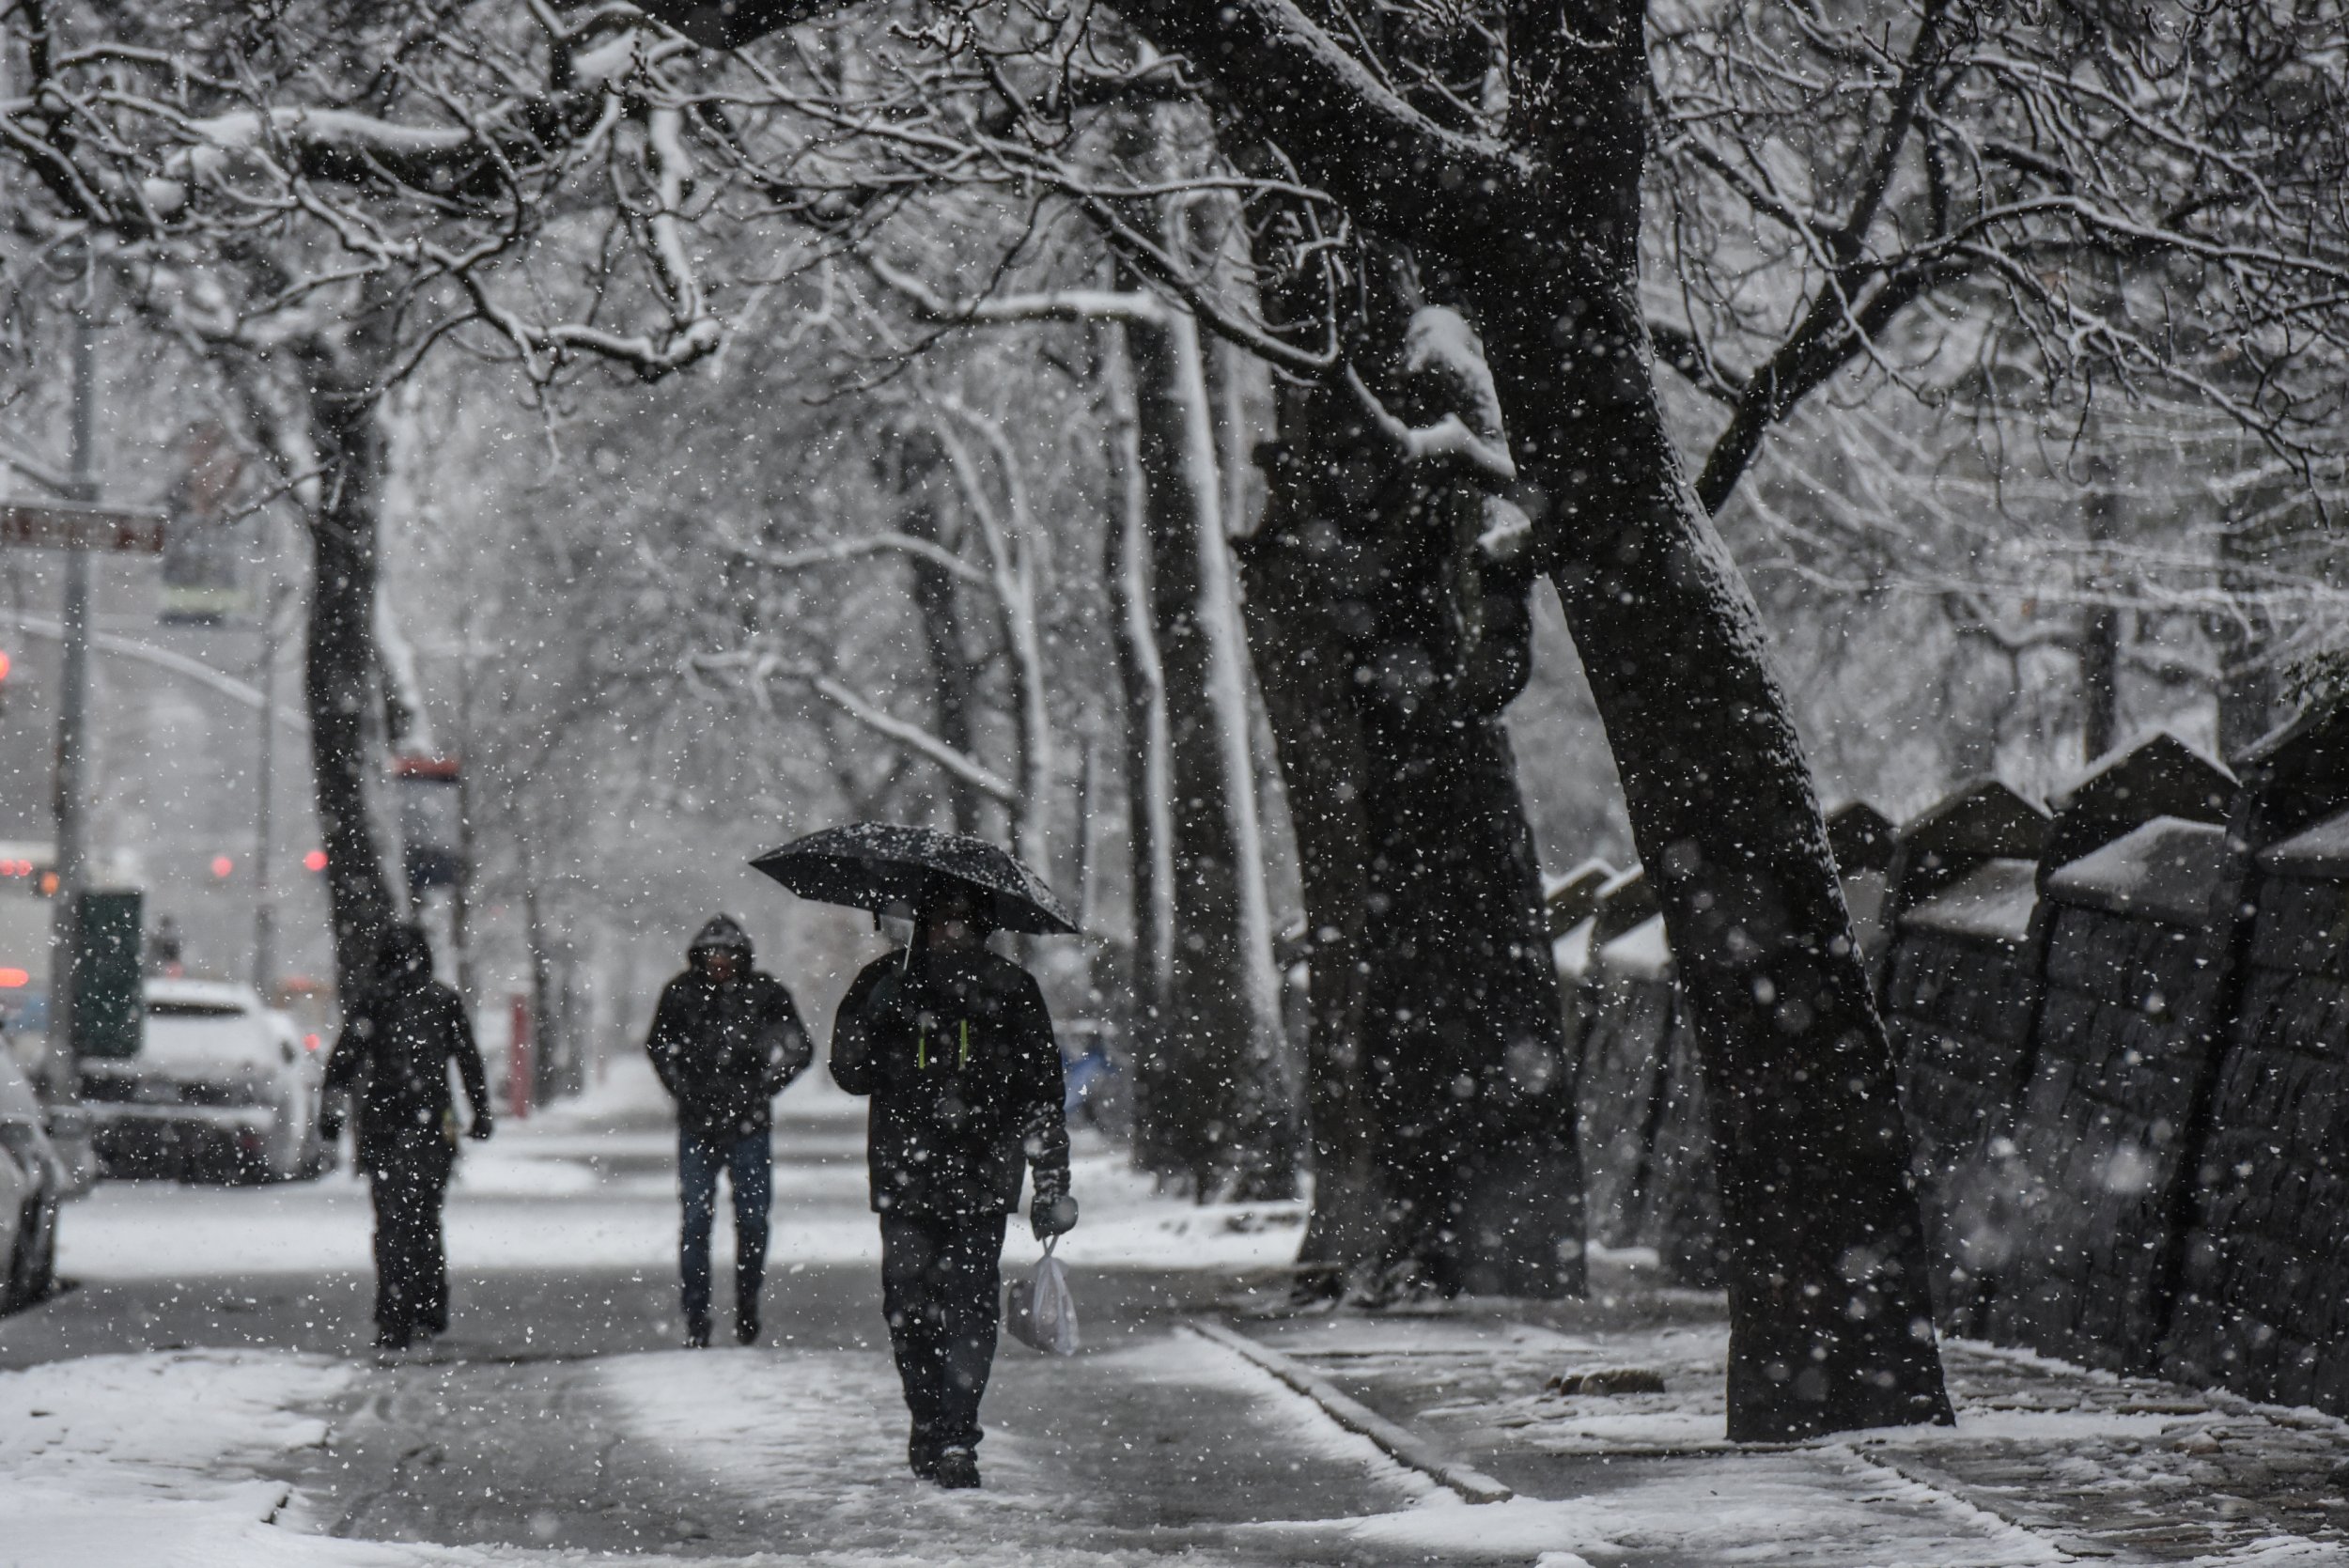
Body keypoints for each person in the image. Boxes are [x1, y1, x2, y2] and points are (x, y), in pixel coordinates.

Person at [831, 880, 1077, 1490]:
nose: (952, 931)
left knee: (968, 1307)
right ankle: (929, 1421)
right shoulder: (886, 980)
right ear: (919, 921)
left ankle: (957, 1438)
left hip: (983, 1178)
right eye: (940, 919)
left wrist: (1051, 1183)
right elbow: (849, 1073)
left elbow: (1040, 1093)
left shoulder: (1012, 990)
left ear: (985, 926)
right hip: (904, 1179)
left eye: (965, 921)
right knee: (908, 1308)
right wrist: (875, 1013)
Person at [322, 924, 492, 1351]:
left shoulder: (374, 1002)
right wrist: (480, 1111)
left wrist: (332, 1114)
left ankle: (394, 1312)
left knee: (391, 1220)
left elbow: (343, 1061)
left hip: (385, 1122)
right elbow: (468, 1059)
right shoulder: (443, 1001)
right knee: (425, 1218)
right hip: (434, 1121)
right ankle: (427, 1307)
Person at [646, 914, 813, 1348]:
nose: (720, 961)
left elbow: (799, 1048)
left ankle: (746, 1306)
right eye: (713, 953)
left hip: (748, 1125)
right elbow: (659, 1045)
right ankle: (697, 1317)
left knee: (752, 1221)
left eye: (728, 953)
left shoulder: (764, 994)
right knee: (698, 1220)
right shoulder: (681, 994)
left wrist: (763, 1087)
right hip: (701, 1123)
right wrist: (683, 1089)